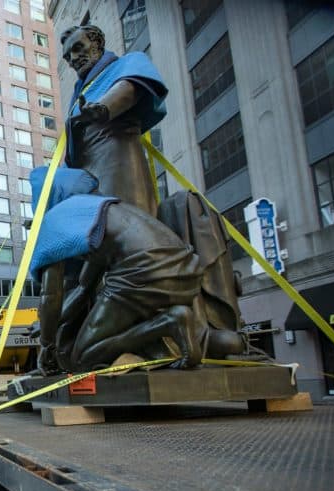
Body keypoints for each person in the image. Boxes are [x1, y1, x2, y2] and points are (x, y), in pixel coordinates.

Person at [27, 167, 203, 373]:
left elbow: (50, 297)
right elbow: (84, 287)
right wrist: (54, 325)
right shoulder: (104, 207)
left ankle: (171, 320)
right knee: (114, 327)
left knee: (83, 359)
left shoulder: (55, 220)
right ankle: (166, 334)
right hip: (186, 269)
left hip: (143, 270)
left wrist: (47, 346)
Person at [60, 24, 168, 217]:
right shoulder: (76, 98)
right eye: (68, 56)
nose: (73, 59)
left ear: (98, 43)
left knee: (130, 224)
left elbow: (128, 88)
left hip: (117, 162)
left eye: (78, 48)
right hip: (84, 178)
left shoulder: (128, 63)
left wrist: (103, 107)